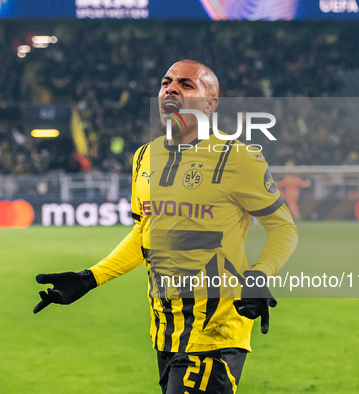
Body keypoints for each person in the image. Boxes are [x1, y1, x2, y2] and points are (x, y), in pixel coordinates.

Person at [33, 60, 298, 393]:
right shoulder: (145, 156)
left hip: (214, 331)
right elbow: (144, 234)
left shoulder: (238, 158)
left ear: (210, 104)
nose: (171, 89)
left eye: (187, 85)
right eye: (166, 82)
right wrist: (90, 278)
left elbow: (283, 228)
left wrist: (259, 275)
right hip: (164, 330)